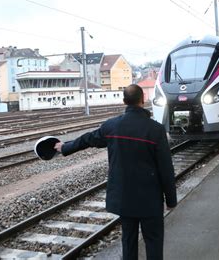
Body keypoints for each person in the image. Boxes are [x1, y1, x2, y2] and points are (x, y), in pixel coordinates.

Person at [54, 84, 177, 260]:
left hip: (125, 197)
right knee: (154, 242)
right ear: (143, 100)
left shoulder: (112, 126)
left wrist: (65, 147)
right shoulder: (155, 130)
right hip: (150, 199)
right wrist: (171, 199)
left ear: (124, 101)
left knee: (128, 241)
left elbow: (88, 139)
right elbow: (166, 168)